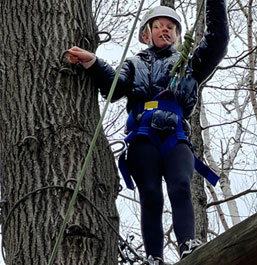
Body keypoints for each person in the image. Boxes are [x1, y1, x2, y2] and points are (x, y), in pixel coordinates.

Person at [68, 1, 228, 264]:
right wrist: (94, 63)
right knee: (151, 195)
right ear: (146, 33)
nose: (166, 31)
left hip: (176, 135)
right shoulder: (134, 64)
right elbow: (115, 87)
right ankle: (154, 257)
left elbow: (217, 42)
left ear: (177, 36)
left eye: (171, 28)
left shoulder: (189, 63)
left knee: (180, 186)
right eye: (159, 26)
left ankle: (188, 243)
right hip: (144, 135)